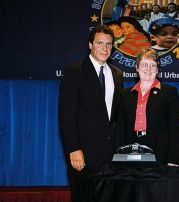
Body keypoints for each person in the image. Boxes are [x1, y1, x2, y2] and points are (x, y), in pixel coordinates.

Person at [59, 25, 123, 201]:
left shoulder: (117, 74)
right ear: (90, 45)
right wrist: (73, 149)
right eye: (100, 43)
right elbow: (66, 115)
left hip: (112, 158)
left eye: (109, 44)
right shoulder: (75, 71)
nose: (105, 48)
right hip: (84, 155)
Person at [116, 47, 179, 166]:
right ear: (137, 67)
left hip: (160, 152)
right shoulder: (125, 94)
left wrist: (173, 160)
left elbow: (175, 129)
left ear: (158, 69)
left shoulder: (170, 92)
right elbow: (120, 129)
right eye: (144, 64)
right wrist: (118, 155)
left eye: (152, 65)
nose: (148, 69)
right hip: (130, 151)